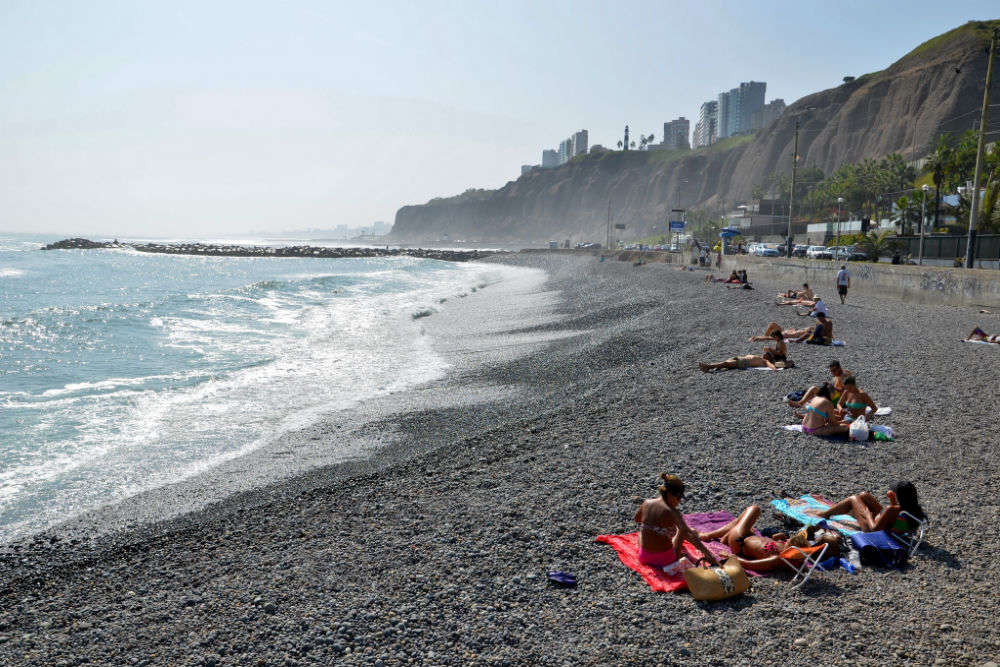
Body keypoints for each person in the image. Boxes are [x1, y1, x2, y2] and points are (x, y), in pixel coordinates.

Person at [697, 505, 841, 571]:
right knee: (744, 524)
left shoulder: (778, 559)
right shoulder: (797, 553)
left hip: (740, 542)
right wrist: (778, 538)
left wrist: (730, 557)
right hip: (749, 537)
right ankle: (726, 535)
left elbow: (750, 564)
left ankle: (709, 535)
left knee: (753, 509)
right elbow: (775, 540)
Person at [633, 474, 719, 568]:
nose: (679, 502)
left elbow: (637, 519)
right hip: (665, 560)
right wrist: (710, 557)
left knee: (641, 533)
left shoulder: (647, 503)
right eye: (678, 498)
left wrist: (653, 525)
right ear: (670, 495)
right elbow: (691, 536)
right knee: (682, 530)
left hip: (644, 557)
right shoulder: (672, 511)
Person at [813, 482, 926, 534]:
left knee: (853, 499)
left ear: (898, 496)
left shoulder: (892, 510)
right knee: (864, 495)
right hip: (889, 526)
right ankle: (850, 510)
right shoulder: (913, 508)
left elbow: (873, 530)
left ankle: (825, 514)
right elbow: (895, 519)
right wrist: (892, 500)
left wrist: (868, 515)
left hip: (872, 530)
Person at [787, 360, 852, 407]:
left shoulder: (844, 376)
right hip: (833, 396)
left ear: (839, 368)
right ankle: (800, 403)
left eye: (834, 370)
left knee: (820, 389)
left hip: (839, 400)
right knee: (813, 389)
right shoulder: (837, 375)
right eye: (831, 371)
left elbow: (845, 391)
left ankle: (801, 403)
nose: (833, 373)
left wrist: (832, 386)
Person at [699, 353, 794, 372]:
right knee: (725, 363)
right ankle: (711, 368)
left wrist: (774, 368)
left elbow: (771, 365)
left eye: (767, 354)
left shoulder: (765, 361)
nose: (765, 354)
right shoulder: (762, 358)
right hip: (740, 358)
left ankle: (708, 366)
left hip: (744, 362)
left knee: (725, 364)